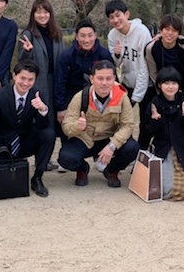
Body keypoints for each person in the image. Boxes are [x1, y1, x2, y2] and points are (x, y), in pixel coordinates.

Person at [58, 60, 140, 188]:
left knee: (132, 148)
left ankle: (112, 171)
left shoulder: (122, 96)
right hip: (85, 138)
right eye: (100, 78)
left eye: (108, 78)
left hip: (109, 138)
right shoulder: (81, 97)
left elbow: (128, 125)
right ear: (92, 79)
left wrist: (112, 146)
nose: (104, 83)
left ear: (114, 78)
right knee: (66, 158)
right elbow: (66, 126)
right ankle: (82, 169)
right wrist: (77, 126)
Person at [0, 61, 55, 198]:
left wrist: (43, 110)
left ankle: (37, 177)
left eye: (30, 79)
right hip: (4, 143)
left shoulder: (37, 94)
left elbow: (43, 126)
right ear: (14, 76)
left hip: (25, 141)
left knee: (49, 134)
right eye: (22, 78)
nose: (26, 83)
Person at [142, 67, 184, 200]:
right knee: (163, 187)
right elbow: (146, 133)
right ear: (159, 85)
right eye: (166, 83)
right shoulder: (154, 104)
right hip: (162, 149)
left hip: (182, 148)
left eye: (174, 83)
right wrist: (155, 121)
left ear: (179, 85)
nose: (170, 87)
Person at [19, 0, 65, 169]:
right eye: (38, 12)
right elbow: (21, 64)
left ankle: (48, 158)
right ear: (33, 14)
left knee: (54, 120)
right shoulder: (28, 34)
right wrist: (27, 51)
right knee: (41, 120)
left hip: (56, 81)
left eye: (45, 12)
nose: (42, 15)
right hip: (38, 83)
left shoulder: (57, 34)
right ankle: (41, 159)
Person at [53, 18, 113, 142]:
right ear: (76, 37)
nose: (87, 40)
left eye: (90, 35)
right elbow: (60, 82)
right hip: (72, 97)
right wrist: (61, 108)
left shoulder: (104, 54)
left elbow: (112, 81)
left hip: (98, 97)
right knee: (69, 132)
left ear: (95, 35)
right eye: (83, 36)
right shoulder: (67, 55)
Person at [106, 0, 154, 143]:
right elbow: (115, 64)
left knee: (146, 121)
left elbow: (143, 67)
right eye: (111, 17)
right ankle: (126, 148)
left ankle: (142, 150)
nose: (115, 20)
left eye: (118, 15)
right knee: (120, 118)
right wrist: (117, 55)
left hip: (147, 83)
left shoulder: (141, 32)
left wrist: (135, 97)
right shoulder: (112, 35)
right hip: (127, 82)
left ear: (127, 14)